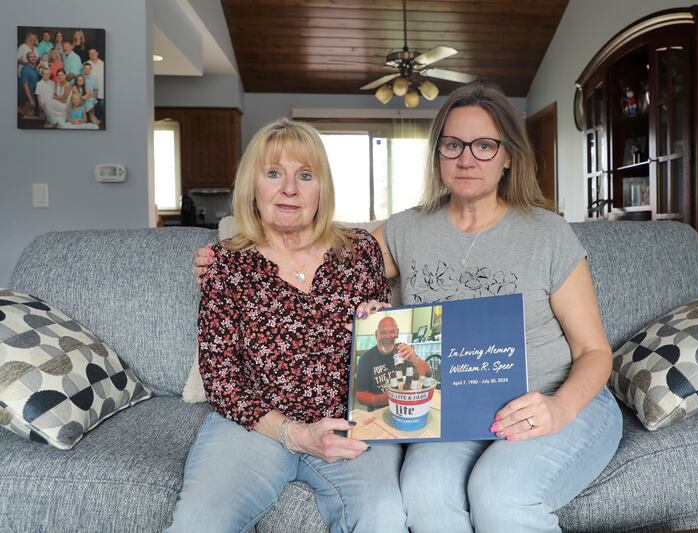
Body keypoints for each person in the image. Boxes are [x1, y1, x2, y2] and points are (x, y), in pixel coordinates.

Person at [194, 83, 623, 532]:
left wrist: (559, 409)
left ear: (508, 156)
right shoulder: (404, 230)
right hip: (452, 413)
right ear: (437, 155)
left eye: (484, 145)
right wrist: (223, 258)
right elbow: (315, 255)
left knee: (499, 494)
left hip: (552, 399)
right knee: (423, 495)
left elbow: (594, 351)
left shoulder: (547, 234)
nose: (466, 158)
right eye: (452, 145)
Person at [167, 118, 406, 533]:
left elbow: (386, 356)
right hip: (254, 425)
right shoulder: (226, 262)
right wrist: (293, 433)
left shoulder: (361, 250)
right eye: (274, 173)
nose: (289, 189)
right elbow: (221, 379)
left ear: (322, 189)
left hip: (347, 421)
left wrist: (382, 330)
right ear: (252, 186)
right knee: (199, 524)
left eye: (305, 175)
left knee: (383, 517)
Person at [355, 316, 430, 409]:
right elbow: (361, 396)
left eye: (392, 332)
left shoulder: (404, 350)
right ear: (376, 334)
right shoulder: (365, 359)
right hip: (379, 410)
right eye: (383, 332)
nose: (387, 336)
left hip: (406, 407)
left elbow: (426, 373)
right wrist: (383, 398)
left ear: (397, 333)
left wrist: (415, 359)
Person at [18, 52, 40, 118]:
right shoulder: (25, 70)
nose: (33, 58)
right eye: (31, 57)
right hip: (29, 97)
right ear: (27, 58)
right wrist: (30, 100)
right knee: (33, 115)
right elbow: (25, 85)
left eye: (34, 57)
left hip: (35, 95)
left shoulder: (35, 68)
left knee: (40, 112)